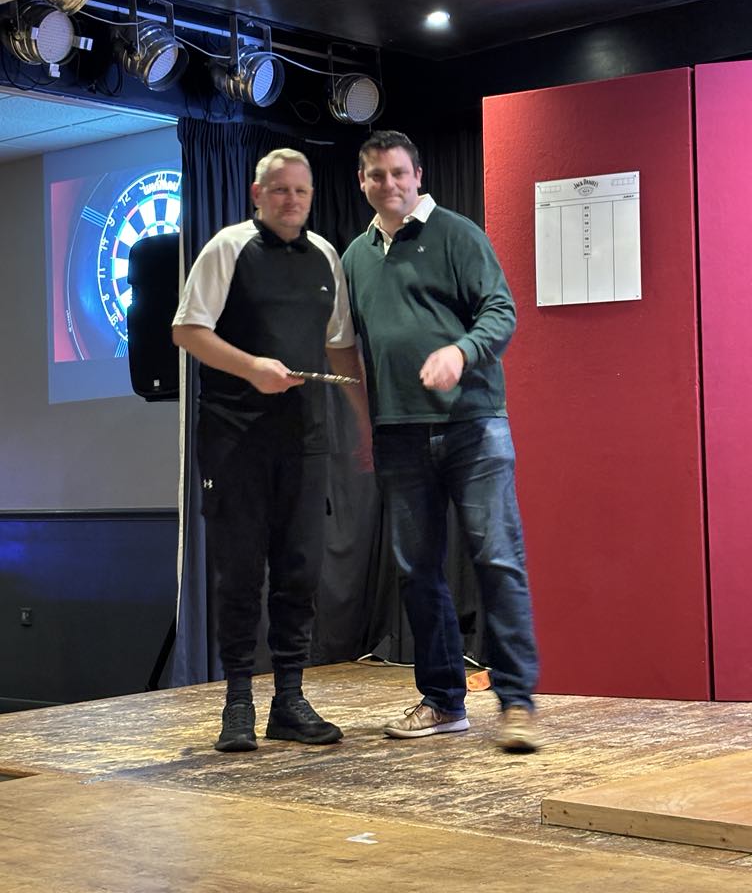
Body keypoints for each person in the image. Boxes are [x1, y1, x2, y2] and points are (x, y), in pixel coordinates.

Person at [342, 130, 540, 752]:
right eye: (376, 175)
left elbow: (501, 312)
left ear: (418, 176)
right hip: (398, 435)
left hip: (474, 427)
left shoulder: (457, 234)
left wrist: (461, 351)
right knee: (417, 573)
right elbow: (353, 346)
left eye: (399, 173)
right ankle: (444, 701)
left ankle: (516, 703)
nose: (389, 184)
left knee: (498, 561)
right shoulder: (355, 257)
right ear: (362, 182)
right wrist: (366, 424)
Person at [172, 148, 369, 753]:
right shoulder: (228, 248)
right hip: (235, 437)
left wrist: (366, 420)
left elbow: (339, 343)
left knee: (299, 571)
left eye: (301, 191)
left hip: (305, 439)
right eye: (280, 190)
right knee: (238, 572)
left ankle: (289, 699)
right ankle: (237, 701)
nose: (292, 200)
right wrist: (251, 367)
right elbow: (187, 329)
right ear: (257, 194)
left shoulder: (325, 256)